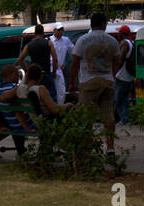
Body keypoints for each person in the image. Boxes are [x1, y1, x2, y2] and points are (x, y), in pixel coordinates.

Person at [68, 12, 121, 160]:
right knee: (108, 115)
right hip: (107, 80)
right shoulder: (112, 41)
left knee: (85, 115)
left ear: (91, 24)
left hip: (88, 81)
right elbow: (117, 61)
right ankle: (110, 148)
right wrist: (111, 75)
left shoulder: (83, 40)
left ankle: (86, 148)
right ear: (104, 24)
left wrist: (72, 83)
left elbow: (74, 63)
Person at [16, 24, 57, 99]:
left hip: (34, 76)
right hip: (46, 73)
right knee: (51, 97)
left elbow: (20, 60)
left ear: (35, 33)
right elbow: (55, 59)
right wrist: (54, 72)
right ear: (43, 32)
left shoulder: (29, 45)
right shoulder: (49, 43)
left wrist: (27, 70)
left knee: (36, 97)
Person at [113, 25, 135, 125]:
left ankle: (123, 118)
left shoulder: (124, 43)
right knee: (125, 98)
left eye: (119, 32)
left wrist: (115, 72)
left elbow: (120, 59)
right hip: (129, 75)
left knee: (117, 99)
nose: (118, 34)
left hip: (122, 75)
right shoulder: (132, 42)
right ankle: (125, 118)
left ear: (123, 34)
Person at [51, 25, 74, 103]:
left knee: (61, 91)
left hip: (58, 69)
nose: (60, 32)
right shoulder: (49, 40)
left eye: (62, 30)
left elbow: (73, 51)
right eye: (59, 30)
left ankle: (60, 109)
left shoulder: (66, 40)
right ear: (54, 30)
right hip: (49, 69)